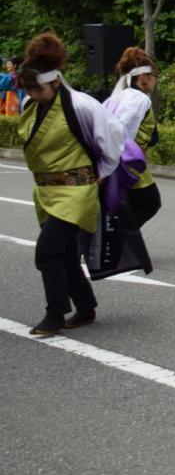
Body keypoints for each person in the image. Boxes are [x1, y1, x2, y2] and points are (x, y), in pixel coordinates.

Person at [16, 33, 127, 336]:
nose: (34, 94)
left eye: (37, 89)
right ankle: (86, 306)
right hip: (46, 191)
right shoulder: (29, 103)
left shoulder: (80, 104)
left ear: (54, 81)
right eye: (29, 89)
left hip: (76, 190)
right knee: (64, 253)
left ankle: (55, 313)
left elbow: (114, 137)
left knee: (47, 252)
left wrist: (101, 173)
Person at [105, 47, 162, 228]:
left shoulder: (119, 96)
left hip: (119, 162)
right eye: (154, 75)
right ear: (143, 77)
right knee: (150, 202)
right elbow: (123, 131)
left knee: (127, 205)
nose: (155, 80)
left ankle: (121, 243)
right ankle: (118, 241)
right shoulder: (139, 98)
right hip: (128, 163)